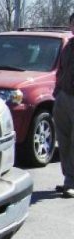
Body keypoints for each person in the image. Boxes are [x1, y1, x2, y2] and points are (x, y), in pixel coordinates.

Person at [53, 12, 74, 198]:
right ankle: (68, 178)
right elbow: (60, 71)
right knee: (64, 140)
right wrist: (57, 92)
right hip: (64, 98)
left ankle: (71, 182)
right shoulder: (67, 47)